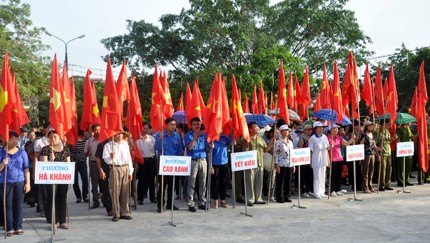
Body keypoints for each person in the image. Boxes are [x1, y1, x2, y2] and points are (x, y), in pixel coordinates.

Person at [0, 131, 31, 236]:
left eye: (15, 138)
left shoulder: (22, 152)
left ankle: (18, 226)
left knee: (18, 205)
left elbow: (26, 168)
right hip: (5, 182)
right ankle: (9, 227)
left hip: (19, 181)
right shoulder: (1, 153)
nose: (13, 140)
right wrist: (2, 164)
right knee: (7, 205)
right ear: (5, 140)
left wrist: (28, 183)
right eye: (11, 138)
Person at [40, 130, 70, 230]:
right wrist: (50, 160)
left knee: (62, 198)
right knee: (52, 199)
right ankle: (54, 221)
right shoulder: (45, 149)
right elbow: (43, 165)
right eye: (51, 137)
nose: (53, 139)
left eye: (55, 137)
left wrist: (70, 179)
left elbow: (68, 164)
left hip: (62, 178)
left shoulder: (65, 150)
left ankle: (62, 221)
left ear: (59, 138)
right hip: (50, 179)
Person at [102, 131, 134, 222]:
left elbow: (129, 159)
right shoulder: (108, 145)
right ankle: (116, 213)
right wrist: (110, 157)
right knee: (115, 191)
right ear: (113, 135)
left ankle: (124, 212)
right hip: (115, 168)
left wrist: (130, 172)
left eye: (121, 134)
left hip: (125, 167)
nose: (119, 136)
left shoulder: (125, 145)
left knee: (125, 191)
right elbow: (105, 159)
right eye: (117, 134)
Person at [154, 118, 183, 213]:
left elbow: (179, 150)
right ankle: (160, 204)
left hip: (174, 163)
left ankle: (170, 204)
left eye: (174, 125)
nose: (173, 126)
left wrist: (179, 161)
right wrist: (160, 139)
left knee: (172, 185)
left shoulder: (177, 136)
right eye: (171, 124)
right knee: (162, 185)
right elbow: (157, 148)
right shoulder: (160, 134)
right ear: (166, 125)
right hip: (163, 163)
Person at [241, 122, 274, 206]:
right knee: (250, 182)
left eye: (257, 126)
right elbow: (245, 152)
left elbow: (265, 150)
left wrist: (271, 144)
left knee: (259, 182)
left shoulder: (260, 139)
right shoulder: (247, 139)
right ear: (250, 129)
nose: (257, 128)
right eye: (255, 127)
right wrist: (247, 165)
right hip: (250, 164)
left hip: (260, 163)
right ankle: (250, 199)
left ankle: (258, 198)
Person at [185, 117, 210, 212]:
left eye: (198, 124)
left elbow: (206, 149)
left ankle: (202, 202)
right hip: (193, 160)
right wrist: (195, 137)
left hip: (203, 160)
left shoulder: (204, 135)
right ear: (191, 126)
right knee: (192, 182)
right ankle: (191, 203)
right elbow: (190, 148)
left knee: (203, 183)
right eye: (194, 124)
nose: (197, 126)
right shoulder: (188, 135)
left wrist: (210, 147)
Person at [327, 124, 354, 196]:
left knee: (339, 175)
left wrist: (352, 139)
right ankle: (332, 189)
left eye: (337, 129)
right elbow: (327, 148)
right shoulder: (328, 137)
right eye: (334, 128)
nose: (336, 130)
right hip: (332, 159)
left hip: (340, 158)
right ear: (330, 129)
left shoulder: (339, 137)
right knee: (333, 175)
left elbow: (347, 143)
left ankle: (338, 189)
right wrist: (330, 146)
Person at [136, 123, 157, 205]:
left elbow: (155, 149)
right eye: (144, 128)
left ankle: (152, 197)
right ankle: (140, 198)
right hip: (142, 161)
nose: (146, 130)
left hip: (151, 160)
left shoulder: (152, 139)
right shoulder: (138, 140)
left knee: (152, 180)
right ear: (141, 128)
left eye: (147, 128)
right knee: (141, 180)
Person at [308, 121, 330, 199]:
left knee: (323, 176)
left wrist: (331, 146)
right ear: (315, 129)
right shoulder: (312, 138)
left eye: (322, 128)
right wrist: (310, 161)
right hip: (316, 159)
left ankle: (322, 191)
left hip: (323, 159)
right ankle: (316, 192)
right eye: (319, 128)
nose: (321, 129)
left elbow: (327, 148)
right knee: (317, 176)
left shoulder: (324, 137)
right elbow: (310, 151)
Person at [274, 125, 294, 203]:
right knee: (280, 181)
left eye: (287, 130)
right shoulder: (278, 142)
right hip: (281, 164)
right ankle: (279, 196)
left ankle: (287, 196)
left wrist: (293, 164)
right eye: (284, 130)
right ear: (281, 132)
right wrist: (277, 165)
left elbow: (292, 153)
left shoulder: (290, 142)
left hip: (289, 163)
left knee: (288, 180)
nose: (286, 132)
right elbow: (276, 153)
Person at [211, 133, 231, 208]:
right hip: (214, 163)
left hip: (224, 162)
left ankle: (223, 200)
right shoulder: (211, 139)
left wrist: (233, 132)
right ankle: (215, 200)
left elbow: (232, 143)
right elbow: (208, 152)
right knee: (215, 182)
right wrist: (210, 166)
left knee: (225, 182)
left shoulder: (225, 138)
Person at [85, 124, 101, 209]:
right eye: (96, 130)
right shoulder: (89, 141)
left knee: (104, 183)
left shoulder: (104, 140)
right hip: (93, 162)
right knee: (94, 183)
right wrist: (88, 151)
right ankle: (95, 201)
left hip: (103, 163)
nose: (98, 131)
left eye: (99, 129)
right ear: (93, 131)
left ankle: (106, 200)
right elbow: (86, 154)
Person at [375, 121, 395, 191]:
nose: (389, 125)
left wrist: (393, 139)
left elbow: (388, 141)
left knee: (389, 169)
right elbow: (375, 144)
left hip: (388, 152)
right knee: (382, 170)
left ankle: (387, 184)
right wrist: (377, 155)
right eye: (387, 124)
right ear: (382, 125)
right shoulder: (377, 133)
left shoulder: (387, 132)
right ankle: (381, 185)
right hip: (382, 154)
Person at [95, 138, 112, 216]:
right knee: (106, 189)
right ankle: (109, 208)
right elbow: (98, 158)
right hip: (106, 169)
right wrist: (100, 170)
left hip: (117, 169)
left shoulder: (119, 144)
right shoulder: (102, 144)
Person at [359, 121, 378, 193]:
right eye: (369, 126)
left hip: (372, 154)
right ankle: (365, 187)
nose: (371, 127)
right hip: (366, 155)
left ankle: (370, 186)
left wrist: (378, 151)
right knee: (365, 172)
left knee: (371, 171)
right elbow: (361, 144)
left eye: (372, 126)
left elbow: (374, 145)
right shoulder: (364, 135)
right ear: (366, 127)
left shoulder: (372, 134)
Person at [72, 129, 89, 203]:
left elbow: (87, 151)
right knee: (75, 180)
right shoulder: (73, 139)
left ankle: (85, 195)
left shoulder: (86, 140)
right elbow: (69, 150)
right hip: (74, 162)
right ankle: (78, 196)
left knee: (85, 178)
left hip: (83, 161)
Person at [298, 124, 314, 197]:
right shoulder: (302, 139)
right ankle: (303, 191)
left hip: (311, 159)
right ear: (304, 130)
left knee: (310, 176)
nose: (309, 131)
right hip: (304, 161)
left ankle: (309, 190)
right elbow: (300, 150)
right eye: (308, 129)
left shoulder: (312, 138)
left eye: (311, 129)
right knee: (304, 176)